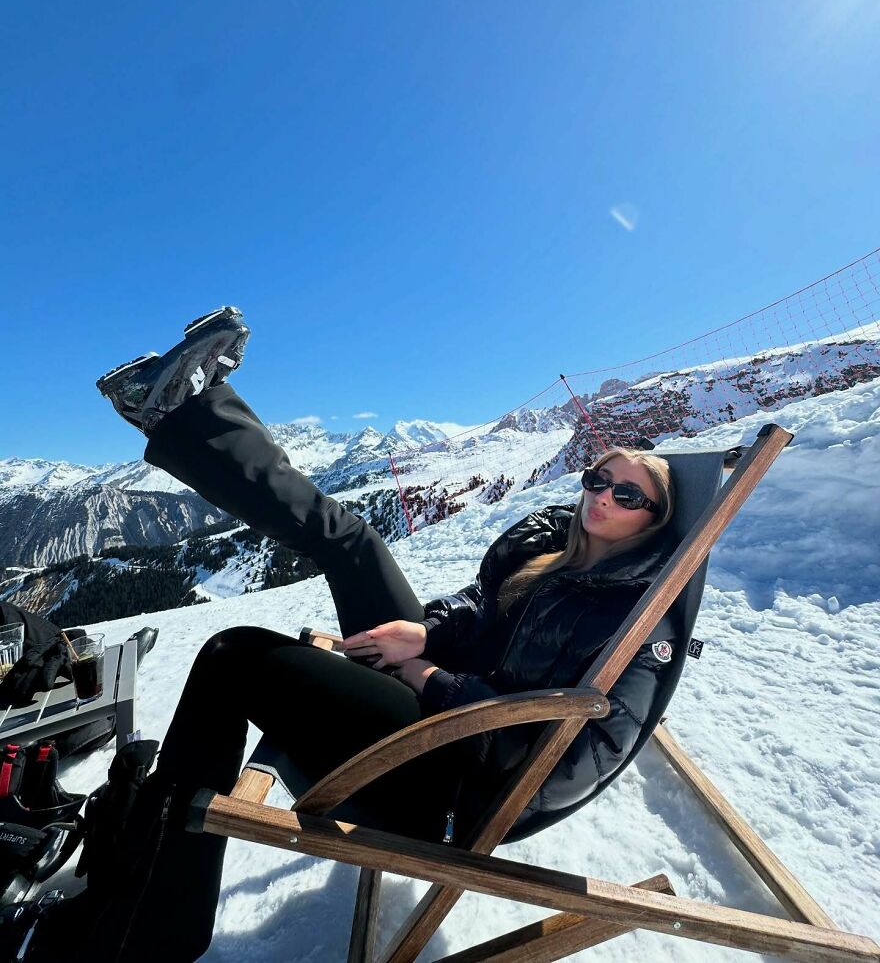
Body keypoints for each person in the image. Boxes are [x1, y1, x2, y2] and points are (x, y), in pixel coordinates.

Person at [28, 306, 677, 962]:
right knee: (355, 543)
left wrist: (433, 678)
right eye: (600, 478)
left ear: (655, 523)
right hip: (446, 700)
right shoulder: (555, 555)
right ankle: (184, 410)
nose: (602, 496)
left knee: (234, 657)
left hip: (459, 775)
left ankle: (157, 923)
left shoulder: (637, 619)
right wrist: (423, 633)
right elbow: (480, 606)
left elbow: (556, 763)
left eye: (629, 495)